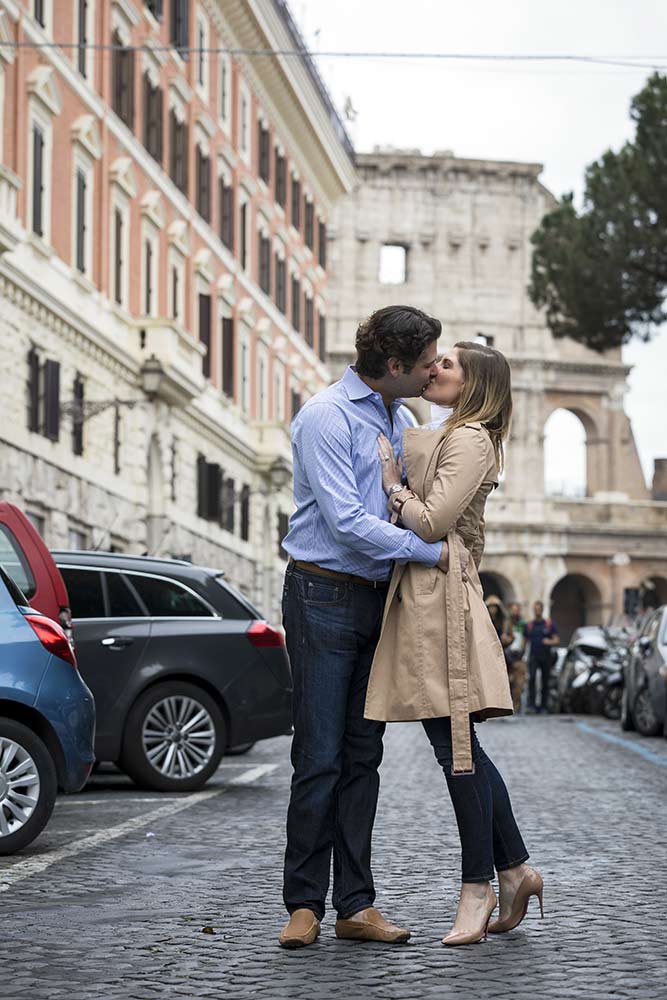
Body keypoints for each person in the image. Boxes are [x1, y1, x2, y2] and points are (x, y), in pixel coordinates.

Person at [278, 305, 452, 949]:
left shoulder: (399, 415)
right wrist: (433, 553)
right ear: (396, 364)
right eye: (429, 359)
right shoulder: (325, 415)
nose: (436, 367)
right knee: (318, 755)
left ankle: (354, 904)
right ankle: (302, 905)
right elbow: (348, 523)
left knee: (363, 756)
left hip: (378, 600)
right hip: (321, 594)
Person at [366, 342, 544, 946]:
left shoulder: (469, 439)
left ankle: (479, 884)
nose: (433, 368)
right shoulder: (448, 432)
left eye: (447, 365)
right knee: (456, 743)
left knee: (457, 748)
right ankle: (514, 867)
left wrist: (394, 486)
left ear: (473, 385)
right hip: (425, 596)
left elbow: (434, 521)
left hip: (441, 600)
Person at [524, 601, 560, 714]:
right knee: (532, 680)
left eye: (538, 609)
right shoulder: (529, 625)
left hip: (546, 657)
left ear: (542, 610)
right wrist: (522, 656)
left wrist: (548, 641)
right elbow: (524, 642)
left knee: (545, 681)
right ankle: (531, 706)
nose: (537, 611)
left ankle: (544, 706)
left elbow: (557, 640)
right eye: (535, 609)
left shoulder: (549, 624)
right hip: (533, 656)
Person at [506, 602, 528, 713]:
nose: (515, 612)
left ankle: (516, 708)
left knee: (519, 685)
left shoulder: (524, 624)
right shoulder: (506, 623)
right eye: (513, 610)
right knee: (508, 683)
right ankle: (507, 707)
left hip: (520, 658)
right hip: (507, 657)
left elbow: (526, 640)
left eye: (517, 610)